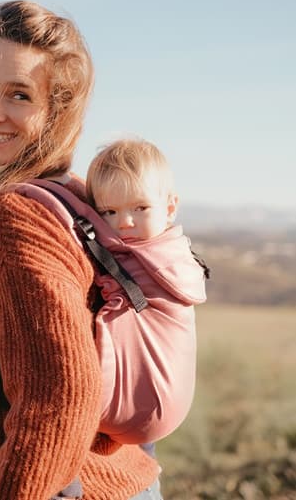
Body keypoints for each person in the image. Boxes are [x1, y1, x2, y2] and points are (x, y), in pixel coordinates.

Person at [0, 0, 162, 500]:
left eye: (19, 95)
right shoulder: (77, 196)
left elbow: (60, 396)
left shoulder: (16, 214)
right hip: (128, 480)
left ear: (58, 107)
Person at [85, 137, 207, 450]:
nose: (124, 222)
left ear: (170, 208)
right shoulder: (179, 253)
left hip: (131, 410)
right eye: (108, 212)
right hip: (162, 412)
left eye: (140, 207)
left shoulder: (154, 260)